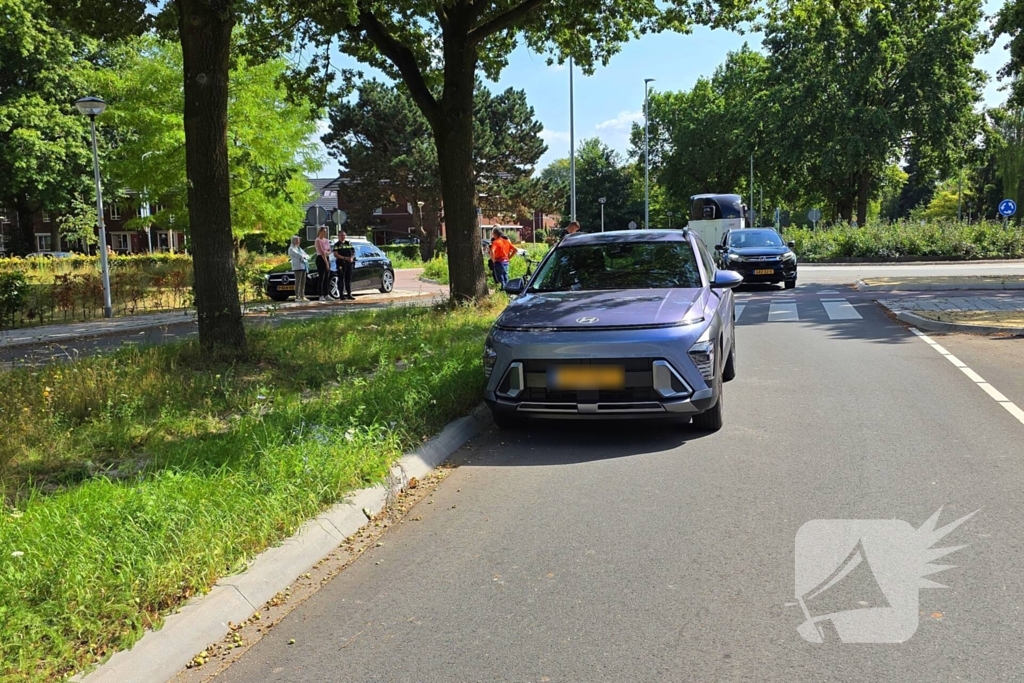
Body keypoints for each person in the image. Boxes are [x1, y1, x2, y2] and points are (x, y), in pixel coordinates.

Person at [333, 231, 356, 300]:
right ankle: (341, 295)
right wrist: (345, 258)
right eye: (341, 235)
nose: (343, 237)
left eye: (344, 235)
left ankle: (349, 293)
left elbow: (353, 251)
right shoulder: (337, 245)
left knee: (348, 279)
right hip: (341, 264)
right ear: (338, 236)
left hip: (349, 263)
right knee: (341, 279)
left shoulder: (348, 243)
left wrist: (352, 257)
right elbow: (335, 254)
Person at [287, 235, 309, 302]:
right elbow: (299, 255)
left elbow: (307, 255)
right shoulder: (291, 249)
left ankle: (302, 295)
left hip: (303, 266)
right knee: (298, 282)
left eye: (299, 241)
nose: (299, 242)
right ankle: (297, 296)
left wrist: (305, 257)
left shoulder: (299, 248)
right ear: (294, 241)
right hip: (297, 267)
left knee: (303, 282)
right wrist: (303, 256)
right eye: (297, 241)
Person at [314, 227, 331, 302]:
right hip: (321, 259)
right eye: (323, 231)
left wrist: (327, 253)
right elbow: (322, 252)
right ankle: (321, 295)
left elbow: (329, 250)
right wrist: (326, 263)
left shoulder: (326, 240)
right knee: (322, 277)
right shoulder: (318, 240)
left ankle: (327, 294)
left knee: (327, 277)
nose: (325, 233)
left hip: (327, 258)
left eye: (325, 232)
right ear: (320, 232)